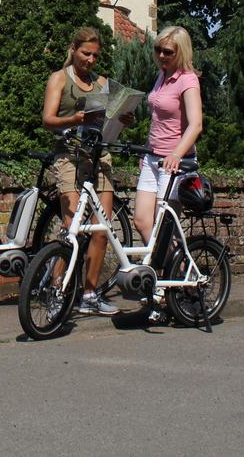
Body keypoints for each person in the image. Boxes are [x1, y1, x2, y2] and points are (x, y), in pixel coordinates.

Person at [42, 26, 125, 316]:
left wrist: (123, 118)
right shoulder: (59, 79)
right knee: (71, 229)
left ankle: (89, 294)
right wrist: (74, 118)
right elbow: (48, 119)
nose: (90, 60)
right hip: (69, 156)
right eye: (85, 53)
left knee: (102, 230)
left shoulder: (103, 84)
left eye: (94, 55)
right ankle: (57, 291)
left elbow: (113, 124)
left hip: (99, 156)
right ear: (74, 49)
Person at [134, 24, 203, 245]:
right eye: (158, 50)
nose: (161, 55)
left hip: (175, 163)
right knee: (142, 222)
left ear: (181, 52)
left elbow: (196, 125)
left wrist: (176, 155)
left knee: (164, 229)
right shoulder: (162, 75)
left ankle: (177, 273)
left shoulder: (188, 80)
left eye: (168, 52)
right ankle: (166, 269)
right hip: (153, 159)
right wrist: (145, 150)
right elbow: (158, 120)